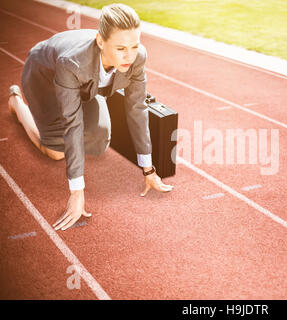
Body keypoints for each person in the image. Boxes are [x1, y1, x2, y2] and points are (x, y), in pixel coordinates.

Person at [7, 3, 173, 231]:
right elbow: (72, 124)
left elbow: (137, 108)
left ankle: (74, 102)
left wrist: (149, 169)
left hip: (84, 82)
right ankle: (18, 104)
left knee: (101, 139)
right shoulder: (72, 63)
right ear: (100, 41)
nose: (129, 56)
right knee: (55, 152)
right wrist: (77, 192)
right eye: (121, 48)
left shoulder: (137, 58)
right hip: (43, 77)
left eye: (134, 46)